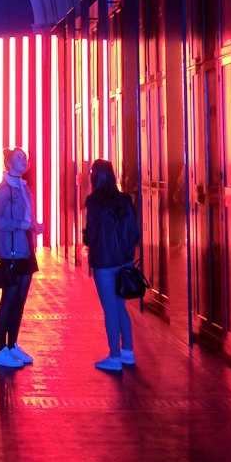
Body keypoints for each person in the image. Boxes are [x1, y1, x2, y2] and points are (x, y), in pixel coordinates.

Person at [0, 147, 43, 367]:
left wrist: (34, 227)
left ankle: (12, 345)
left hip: (25, 247)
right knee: (9, 299)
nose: (24, 159)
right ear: (8, 164)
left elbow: (26, 217)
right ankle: (0, 350)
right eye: (19, 157)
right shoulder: (2, 190)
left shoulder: (25, 189)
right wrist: (19, 225)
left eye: (25, 157)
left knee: (20, 300)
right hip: (11, 250)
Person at [82, 159, 139, 372]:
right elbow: (134, 231)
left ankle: (114, 355)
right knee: (121, 307)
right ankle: (128, 352)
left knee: (110, 310)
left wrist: (85, 237)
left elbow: (93, 233)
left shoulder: (94, 201)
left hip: (104, 262)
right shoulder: (125, 200)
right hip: (123, 261)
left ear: (95, 176)